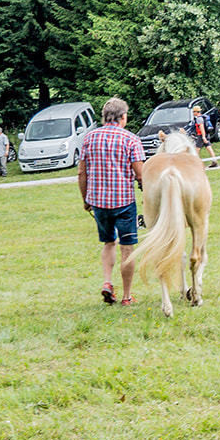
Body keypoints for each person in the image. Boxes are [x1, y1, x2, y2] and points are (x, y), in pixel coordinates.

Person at [78, 97, 145, 305]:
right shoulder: (131, 139)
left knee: (108, 242)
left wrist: (86, 199)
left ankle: (107, 282)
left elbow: (82, 172)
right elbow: (140, 174)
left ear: (105, 117)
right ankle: (126, 296)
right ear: (123, 117)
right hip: (124, 203)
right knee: (127, 248)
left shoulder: (89, 138)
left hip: (99, 203)